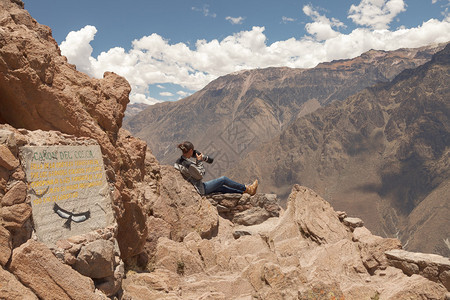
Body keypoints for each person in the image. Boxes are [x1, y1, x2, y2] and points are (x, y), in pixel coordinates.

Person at [174, 141, 258, 196]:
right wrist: (199, 161)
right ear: (191, 150)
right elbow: (200, 175)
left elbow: (191, 173)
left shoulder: (178, 161)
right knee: (223, 179)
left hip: (195, 186)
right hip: (200, 189)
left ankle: (243, 192)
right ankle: (247, 188)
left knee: (221, 187)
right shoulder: (188, 164)